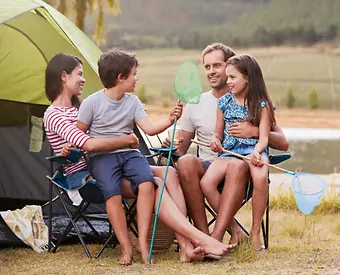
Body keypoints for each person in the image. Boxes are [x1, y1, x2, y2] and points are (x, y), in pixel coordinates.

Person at [48, 51, 232, 264]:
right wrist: (123, 140)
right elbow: (84, 139)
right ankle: (164, 242)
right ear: (120, 77)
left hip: (127, 156)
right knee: (153, 183)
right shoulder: (80, 106)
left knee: (165, 176)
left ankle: (179, 245)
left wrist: (171, 120)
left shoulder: (121, 102)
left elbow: (148, 129)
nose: (137, 79)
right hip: (92, 169)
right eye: (134, 74)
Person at [164, 43, 288, 246]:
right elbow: (181, 149)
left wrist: (254, 131)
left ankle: (217, 235)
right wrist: (169, 144)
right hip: (210, 166)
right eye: (207, 67)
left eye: (217, 65)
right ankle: (206, 236)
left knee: (236, 165)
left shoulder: (255, 102)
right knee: (186, 161)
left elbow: (283, 143)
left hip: (242, 165)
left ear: (231, 67)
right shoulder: (196, 103)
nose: (211, 72)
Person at [205, 54, 274, 251]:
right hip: (229, 151)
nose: (229, 82)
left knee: (260, 177)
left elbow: (263, 138)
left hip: (253, 149)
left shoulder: (261, 105)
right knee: (207, 182)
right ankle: (233, 226)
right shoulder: (224, 102)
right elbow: (217, 134)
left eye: (233, 77)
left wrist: (258, 152)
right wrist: (215, 141)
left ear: (248, 78)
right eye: (228, 78)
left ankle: (254, 231)